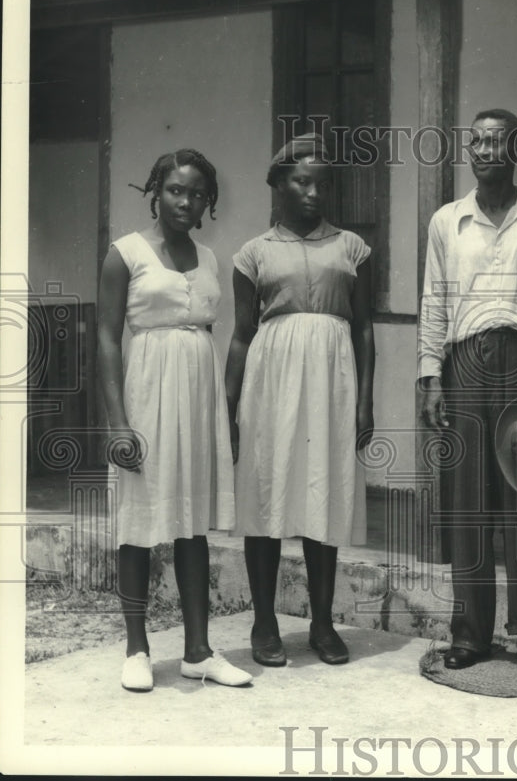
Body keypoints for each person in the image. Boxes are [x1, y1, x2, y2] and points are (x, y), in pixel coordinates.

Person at [418, 108, 517, 672]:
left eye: (496, 142)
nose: (484, 152)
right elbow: (434, 299)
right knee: (468, 503)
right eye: (476, 143)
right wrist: (431, 375)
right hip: (465, 365)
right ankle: (470, 633)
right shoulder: (447, 221)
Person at [97, 149, 252, 691]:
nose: (186, 202)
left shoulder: (210, 258)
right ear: (155, 191)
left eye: (197, 194)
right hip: (146, 392)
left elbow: (216, 331)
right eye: (175, 191)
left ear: (209, 202)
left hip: (198, 394)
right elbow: (107, 338)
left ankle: (198, 651)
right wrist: (119, 424)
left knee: (193, 524)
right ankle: (137, 648)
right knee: (140, 522)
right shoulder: (126, 253)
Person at [225, 133, 375, 668]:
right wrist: (230, 404)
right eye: (301, 181)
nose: (313, 192)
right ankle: (264, 623)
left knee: (324, 495)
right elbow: (242, 334)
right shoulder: (253, 253)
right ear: (278, 185)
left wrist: (366, 402)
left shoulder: (352, 248)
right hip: (271, 379)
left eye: (322, 184)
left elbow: (363, 330)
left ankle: (322, 622)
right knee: (265, 497)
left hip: (333, 381)